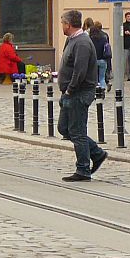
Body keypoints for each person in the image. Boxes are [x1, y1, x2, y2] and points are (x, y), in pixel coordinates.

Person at [56, 9, 107, 182]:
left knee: (77, 131)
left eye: (63, 23)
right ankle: (97, 153)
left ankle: (83, 169)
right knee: (64, 128)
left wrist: (70, 89)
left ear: (68, 24)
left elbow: (80, 70)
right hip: (70, 93)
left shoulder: (82, 43)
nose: (62, 26)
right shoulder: (72, 40)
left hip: (78, 93)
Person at [88, 20, 112, 90]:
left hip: (93, 60)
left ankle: (96, 90)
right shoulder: (104, 38)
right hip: (103, 60)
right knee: (102, 77)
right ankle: (103, 88)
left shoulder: (90, 39)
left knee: (94, 77)